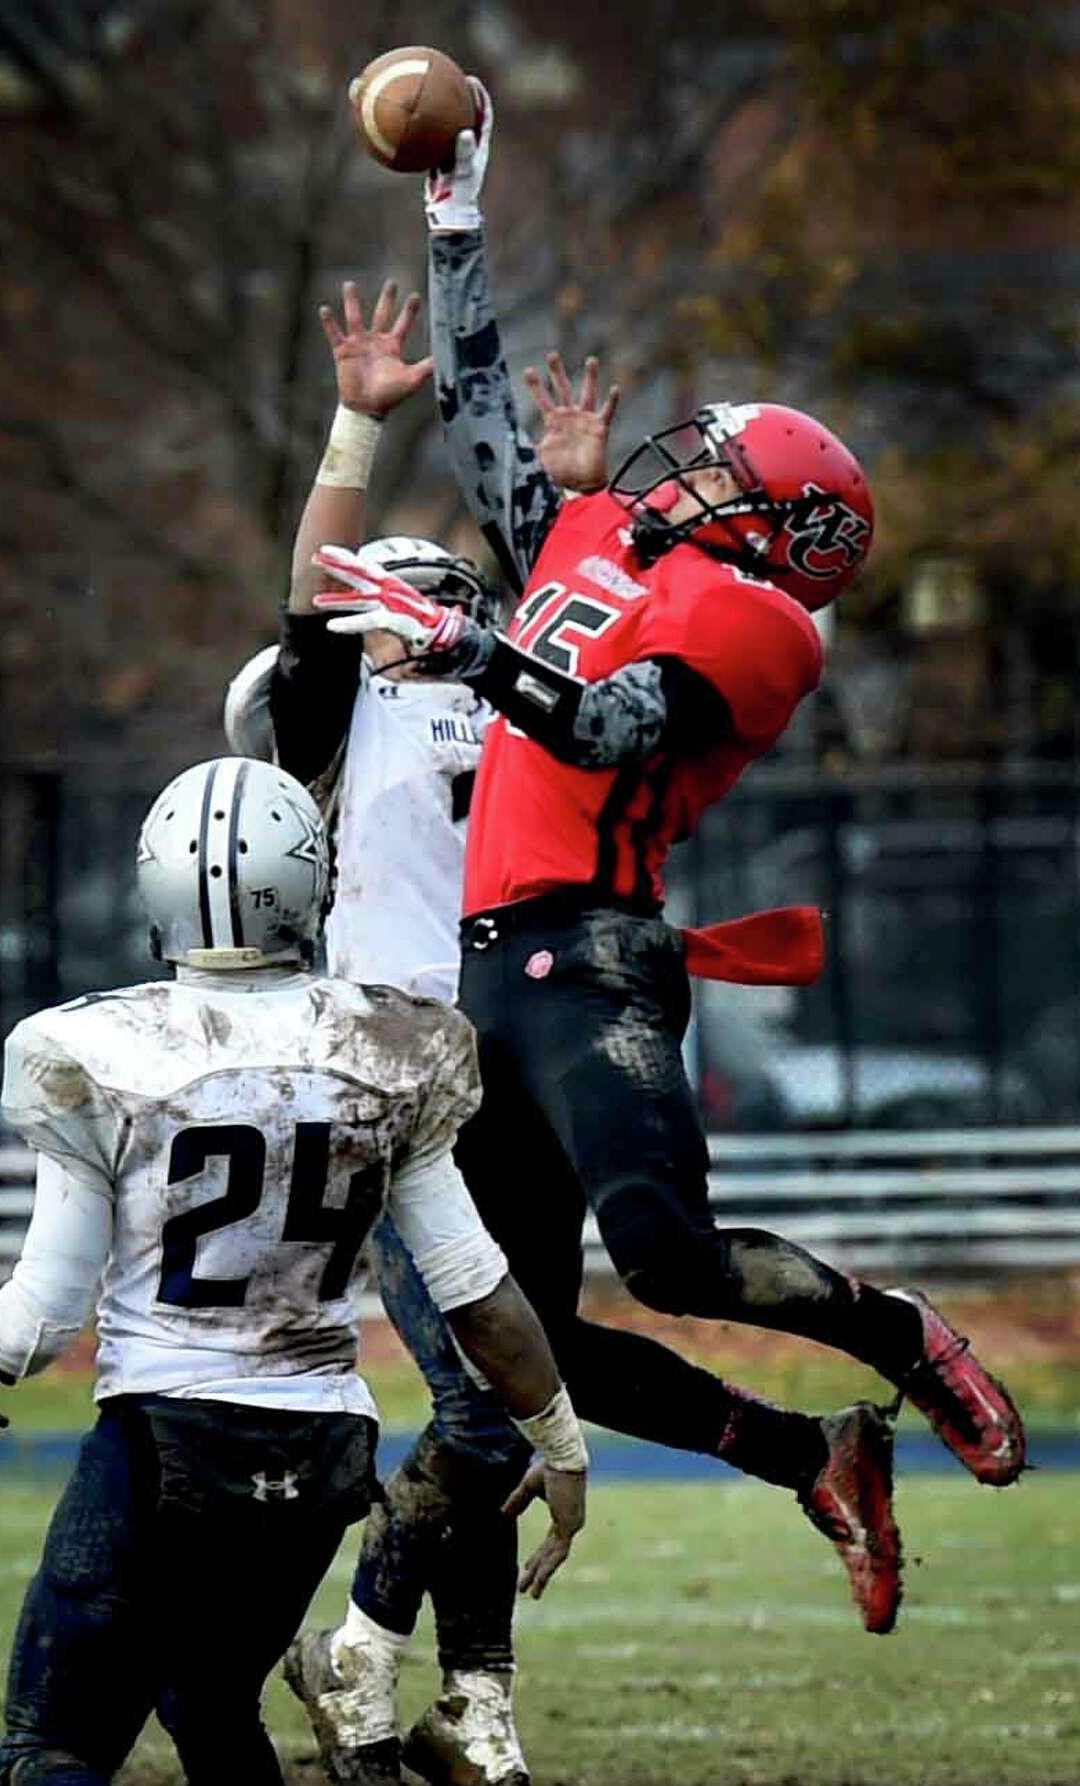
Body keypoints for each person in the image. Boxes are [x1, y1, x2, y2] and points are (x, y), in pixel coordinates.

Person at [313, 79, 1026, 1649]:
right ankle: (815, 1459)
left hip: (597, 952)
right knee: (526, 1345)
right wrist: (455, 216)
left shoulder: (765, 623)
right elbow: (479, 398)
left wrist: (471, 648)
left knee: (670, 1253)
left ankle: (893, 1334)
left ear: (778, 534)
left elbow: (611, 728)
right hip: (491, 967)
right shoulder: (600, 540)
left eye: (720, 471)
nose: (680, 466)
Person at [0, 756, 587, 1786]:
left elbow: (45, 1304)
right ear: (311, 885)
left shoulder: (96, 1047)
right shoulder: (397, 1048)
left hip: (166, 1441)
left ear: (157, 889)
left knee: (47, 1744)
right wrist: (560, 1440)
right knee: (212, 1706)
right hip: (320, 1447)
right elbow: (474, 1286)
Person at [222, 280, 599, 1786]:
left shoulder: (512, 701)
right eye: (399, 605)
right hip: (392, 1071)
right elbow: (313, 600)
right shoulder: (342, 701)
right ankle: (372, 1649)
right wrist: (359, 422)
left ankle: (471, 1696)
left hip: (530, 1056)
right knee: (475, 1396)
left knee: (517, 1394)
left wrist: (574, 508)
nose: (418, 622)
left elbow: (592, 636)